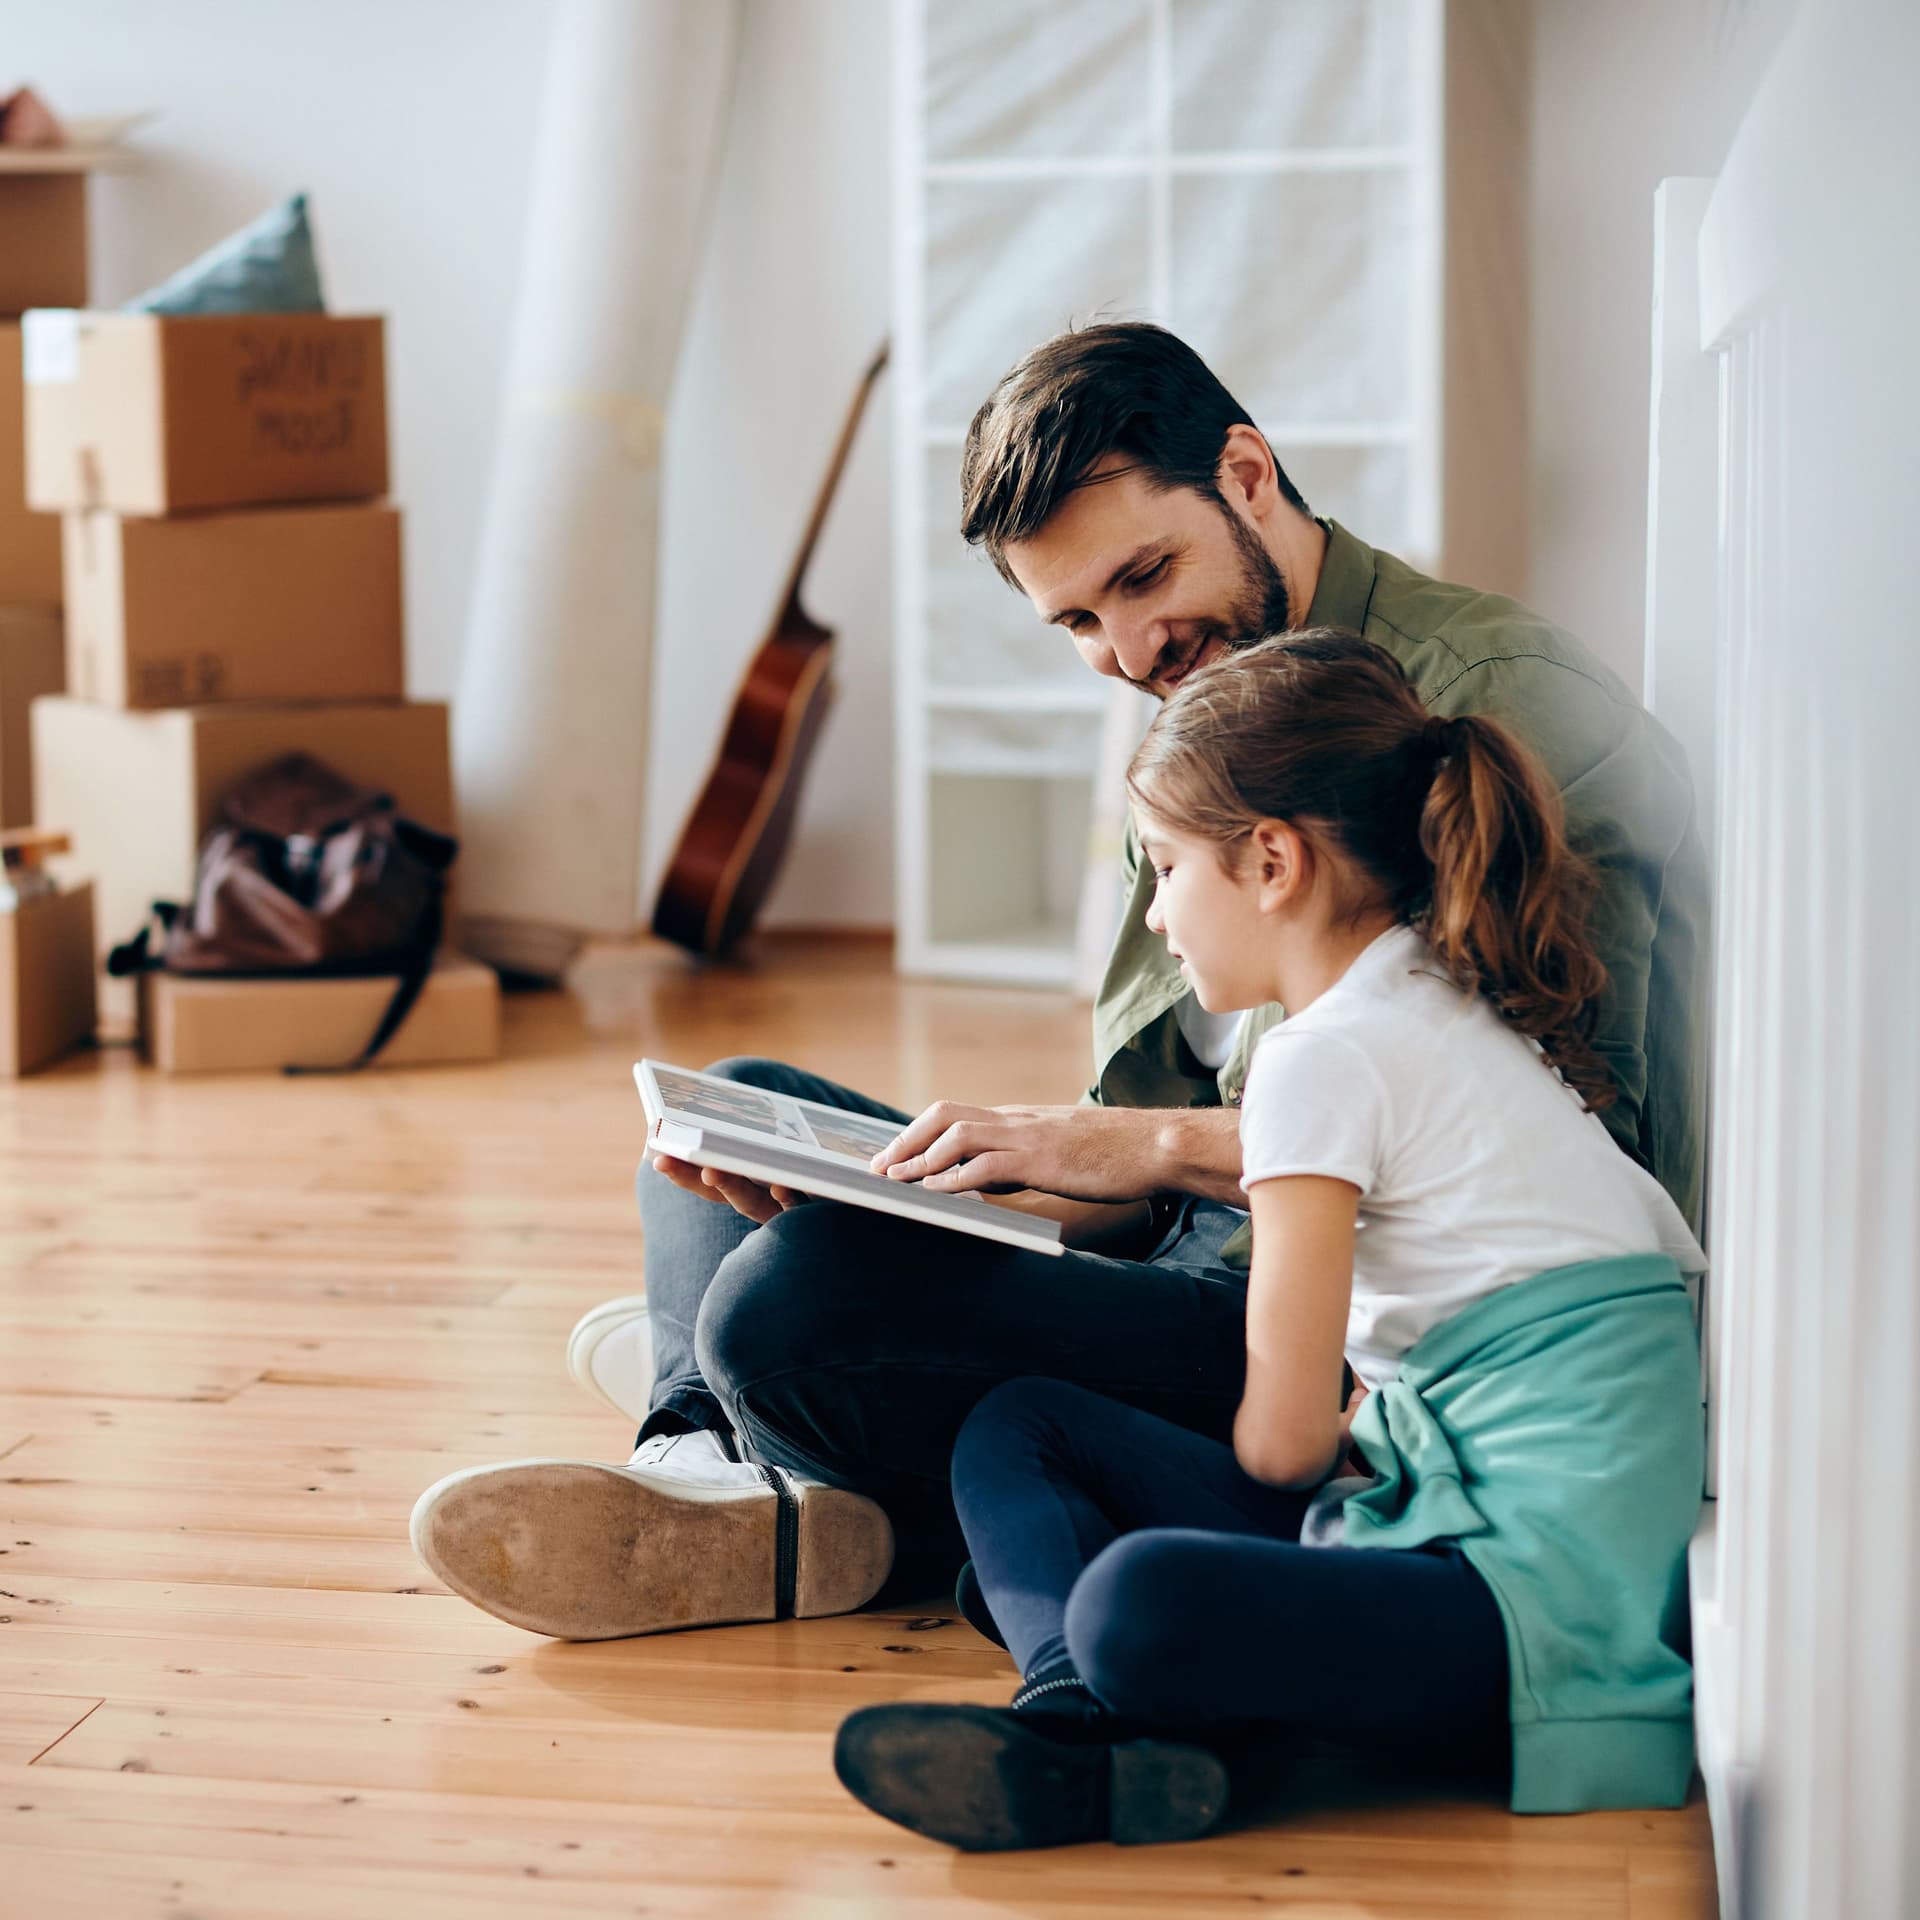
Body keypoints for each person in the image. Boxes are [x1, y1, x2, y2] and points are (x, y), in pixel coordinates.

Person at [411, 323, 1705, 1639]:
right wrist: (968, 1187)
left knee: (780, 1307)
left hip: (1318, 1319)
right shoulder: (1210, 687)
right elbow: (1142, 1145)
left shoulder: (1489, 717)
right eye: (1079, 619)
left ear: (1249, 476)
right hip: (1181, 1235)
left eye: (1144, 575)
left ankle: (761, 1441)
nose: (1132, 647)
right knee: (731, 1109)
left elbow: (1548, 1148)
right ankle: (713, 1461)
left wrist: (1122, 1147)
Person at [834, 631, 1707, 1850]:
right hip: (1487, 1539)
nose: (1156, 911)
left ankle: (1090, 1716)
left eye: (1165, 868)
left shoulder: (1322, 1062)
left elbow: (1288, 1445)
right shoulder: (1435, 994)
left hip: (1529, 1623)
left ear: (1272, 863)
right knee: (1027, 1438)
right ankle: (1101, 1722)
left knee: (1130, 1592)